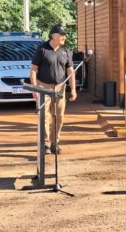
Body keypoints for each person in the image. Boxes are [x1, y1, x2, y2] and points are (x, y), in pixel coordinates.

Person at [30, 25, 77, 155]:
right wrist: (34, 88)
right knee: (44, 116)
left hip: (60, 88)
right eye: (61, 34)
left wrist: (73, 89)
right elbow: (33, 69)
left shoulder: (66, 51)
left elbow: (70, 71)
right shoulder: (42, 49)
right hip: (43, 87)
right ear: (53, 35)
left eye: (64, 35)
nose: (64, 37)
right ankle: (45, 144)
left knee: (58, 116)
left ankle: (54, 143)